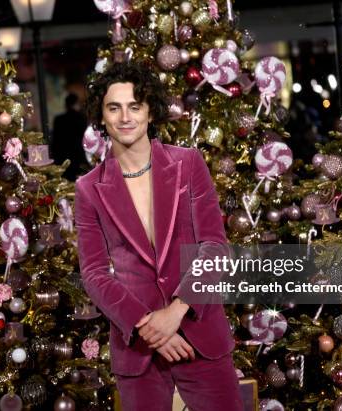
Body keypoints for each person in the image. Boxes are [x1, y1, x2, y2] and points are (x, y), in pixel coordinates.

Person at [75, 63, 243, 411]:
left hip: (199, 329)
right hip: (138, 348)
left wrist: (176, 313)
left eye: (135, 106)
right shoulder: (89, 187)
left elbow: (215, 247)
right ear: (101, 115)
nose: (125, 117)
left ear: (150, 110)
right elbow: (93, 273)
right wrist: (147, 327)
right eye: (114, 107)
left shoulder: (188, 163)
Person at [51, 93, 88, 181]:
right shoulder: (82, 118)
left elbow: (55, 140)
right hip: (78, 155)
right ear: (76, 104)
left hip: (62, 156)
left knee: (65, 182)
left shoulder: (59, 119)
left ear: (66, 104)